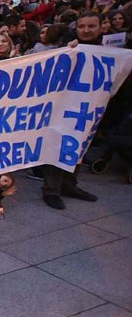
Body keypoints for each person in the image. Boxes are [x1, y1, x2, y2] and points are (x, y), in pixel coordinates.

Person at [41, 13, 103, 210]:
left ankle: (69, 185)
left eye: (91, 26)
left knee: (79, 147)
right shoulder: (67, 50)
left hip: (89, 107)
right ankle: (51, 189)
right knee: (58, 145)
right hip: (64, 106)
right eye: (82, 26)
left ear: (101, 28)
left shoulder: (110, 50)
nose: (86, 30)